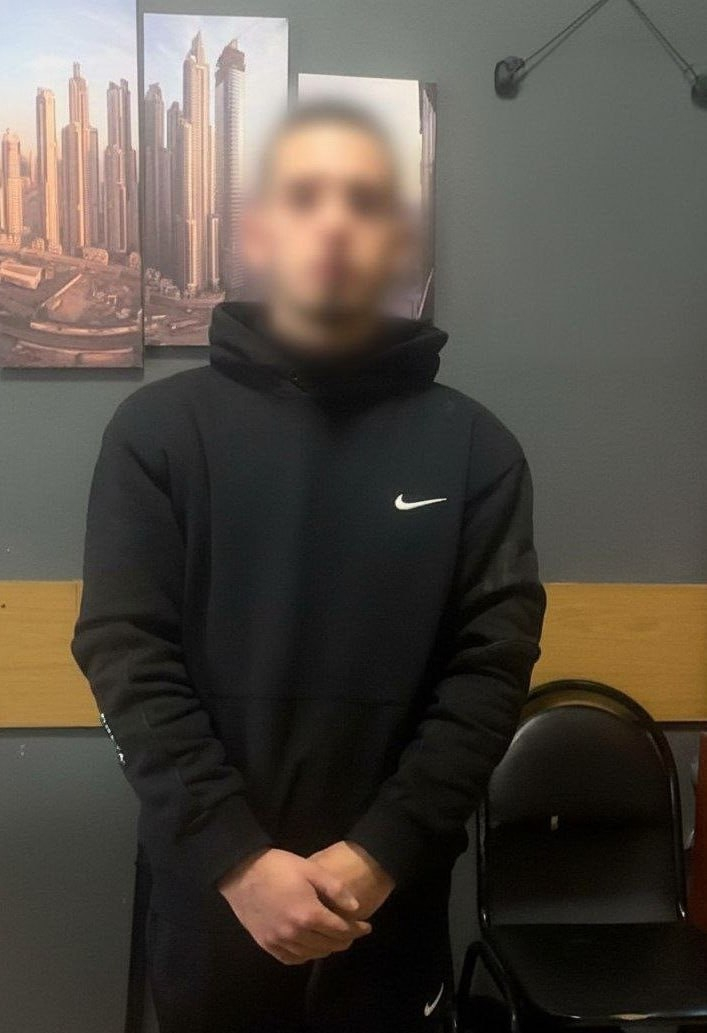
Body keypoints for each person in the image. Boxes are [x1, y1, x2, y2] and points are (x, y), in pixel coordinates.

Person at [72, 99, 546, 1033]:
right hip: (210, 903)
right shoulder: (157, 433)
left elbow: (488, 675)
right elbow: (126, 654)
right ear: (256, 230)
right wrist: (238, 861)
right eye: (304, 196)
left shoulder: (476, 450)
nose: (333, 221)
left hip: (390, 908)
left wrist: (381, 852)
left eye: (364, 201)